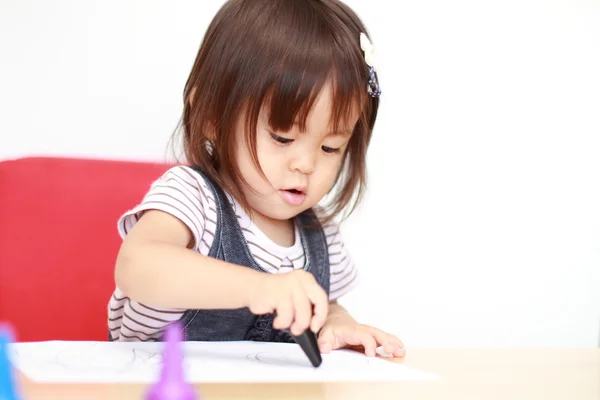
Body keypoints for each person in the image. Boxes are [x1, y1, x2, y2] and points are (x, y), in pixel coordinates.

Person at [107, 0, 404, 358]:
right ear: (212, 118)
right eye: (283, 138)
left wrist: (338, 323)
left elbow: (324, 308)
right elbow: (138, 266)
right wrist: (258, 288)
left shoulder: (318, 234)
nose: (306, 164)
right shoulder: (192, 197)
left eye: (330, 147)